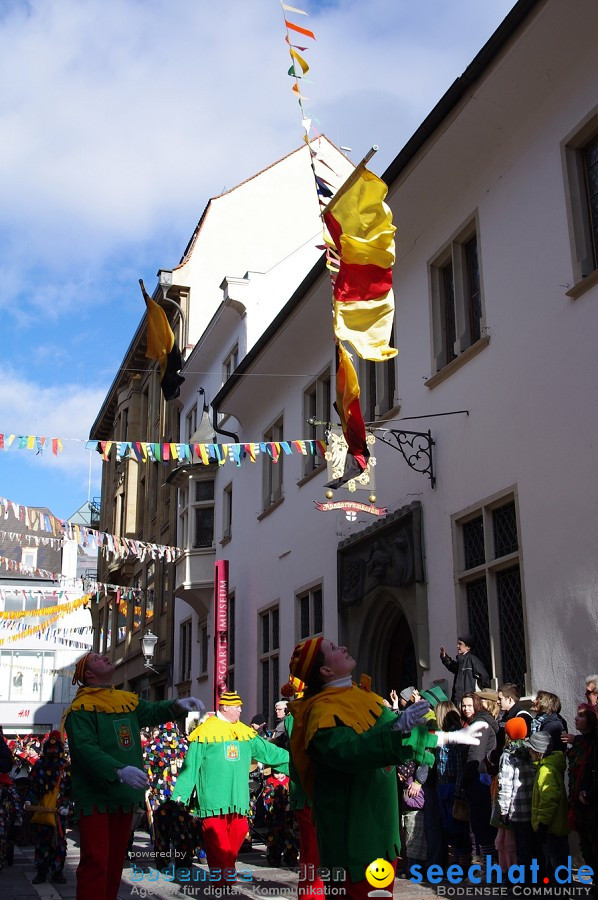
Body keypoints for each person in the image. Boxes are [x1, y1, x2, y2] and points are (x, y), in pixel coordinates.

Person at [288, 637, 486, 899]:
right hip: (354, 842)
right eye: (334, 649)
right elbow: (349, 751)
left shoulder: (362, 696)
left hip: (381, 835)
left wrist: (454, 736)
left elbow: (407, 735)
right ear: (325, 671)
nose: (344, 647)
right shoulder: (321, 711)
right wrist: (395, 728)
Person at [63, 651, 204, 900]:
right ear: (89, 674)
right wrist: (117, 770)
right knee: (96, 860)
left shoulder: (125, 700)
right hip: (96, 797)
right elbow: (85, 749)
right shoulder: (80, 709)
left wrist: (176, 706)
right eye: (97, 658)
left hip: (124, 795)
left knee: (115, 861)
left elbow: (151, 713)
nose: (105, 657)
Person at [172, 690, 290, 885]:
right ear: (225, 707)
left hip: (238, 798)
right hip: (213, 799)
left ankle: (226, 871)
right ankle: (222, 879)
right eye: (237, 707)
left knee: (239, 830)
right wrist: (179, 798)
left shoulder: (244, 732)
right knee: (216, 839)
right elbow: (190, 766)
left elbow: (269, 752)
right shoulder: (204, 731)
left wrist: (296, 762)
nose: (241, 710)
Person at [24, 730, 71, 885]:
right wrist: (30, 800)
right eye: (50, 748)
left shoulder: (65, 767)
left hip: (58, 811)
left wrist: (66, 805)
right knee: (42, 842)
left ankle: (58, 871)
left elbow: (69, 789)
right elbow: (32, 785)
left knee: (58, 842)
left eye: (55, 747)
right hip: (42, 808)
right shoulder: (39, 765)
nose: (52, 751)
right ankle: (41, 871)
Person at [458, 692, 499, 862]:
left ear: (477, 705)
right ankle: (487, 868)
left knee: (483, 827)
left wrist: (464, 782)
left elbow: (474, 756)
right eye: (463, 705)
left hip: (479, 779)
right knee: (480, 827)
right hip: (478, 778)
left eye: (469, 705)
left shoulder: (480, 724)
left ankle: (489, 871)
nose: (466, 708)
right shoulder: (474, 723)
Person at [525, 730, 569, 879]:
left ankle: (559, 894)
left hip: (552, 829)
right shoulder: (545, 768)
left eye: (531, 749)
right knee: (554, 865)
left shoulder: (546, 770)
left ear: (538, 752)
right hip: (553, 828)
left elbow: (549, 799)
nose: (529, 752)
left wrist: (543, 824)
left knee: (557, 867)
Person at [565, 703, 598, 876]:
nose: (576, 718)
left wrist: (590, 794)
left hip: (592, 805)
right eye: (577, 715)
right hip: (580, 805)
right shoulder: (580, 743)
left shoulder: (594, 744)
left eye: (582, 715)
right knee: (586, 848)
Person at [440, 635, 490, 705]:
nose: (457, 646)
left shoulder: (472, 659)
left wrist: (482, 695)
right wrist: (444, 657)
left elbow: (485, 677)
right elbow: (453, 668)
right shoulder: (462, 660)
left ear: (468, 647)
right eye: (458, 644)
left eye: (460, 644)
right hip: (458, 699)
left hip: (469, 699)